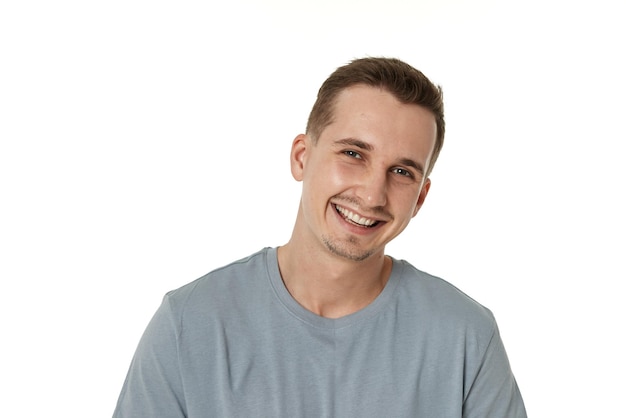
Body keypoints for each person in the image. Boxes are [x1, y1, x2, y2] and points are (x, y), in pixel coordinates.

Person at [113, 57, 527, 417]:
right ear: (301, 156)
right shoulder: (190, 324)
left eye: (401, 172)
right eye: (353, 154)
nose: (371, 194)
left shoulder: (466, 337)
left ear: (420, 197)